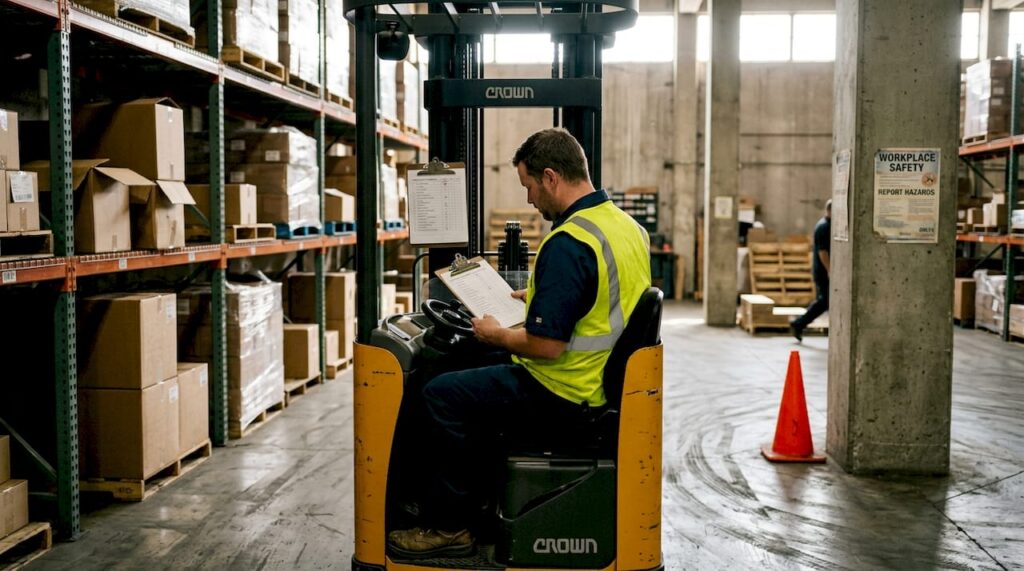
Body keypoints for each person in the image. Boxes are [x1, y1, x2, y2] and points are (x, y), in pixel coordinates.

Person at [386, 128, 652, 559]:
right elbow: (606, 297)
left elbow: (547, 347)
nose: (530, 200)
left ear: (550, 177)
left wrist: (496, 334)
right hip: (596, 379)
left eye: (529, 186)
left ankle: (450, 526)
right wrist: (544, 297)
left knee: (441, 394)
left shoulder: (568, 242)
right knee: (473, 364)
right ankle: (476, 499)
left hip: (565, 391)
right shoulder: (625, 227)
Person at [791, 199, 831, 341]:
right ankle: (799, 323)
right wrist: (830, 270)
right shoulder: (824, 227)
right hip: (823, 271)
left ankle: (799, 323)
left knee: (825, 301)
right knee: (824, 301)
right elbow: (823, 252)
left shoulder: (825, 224)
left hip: (822, 270)